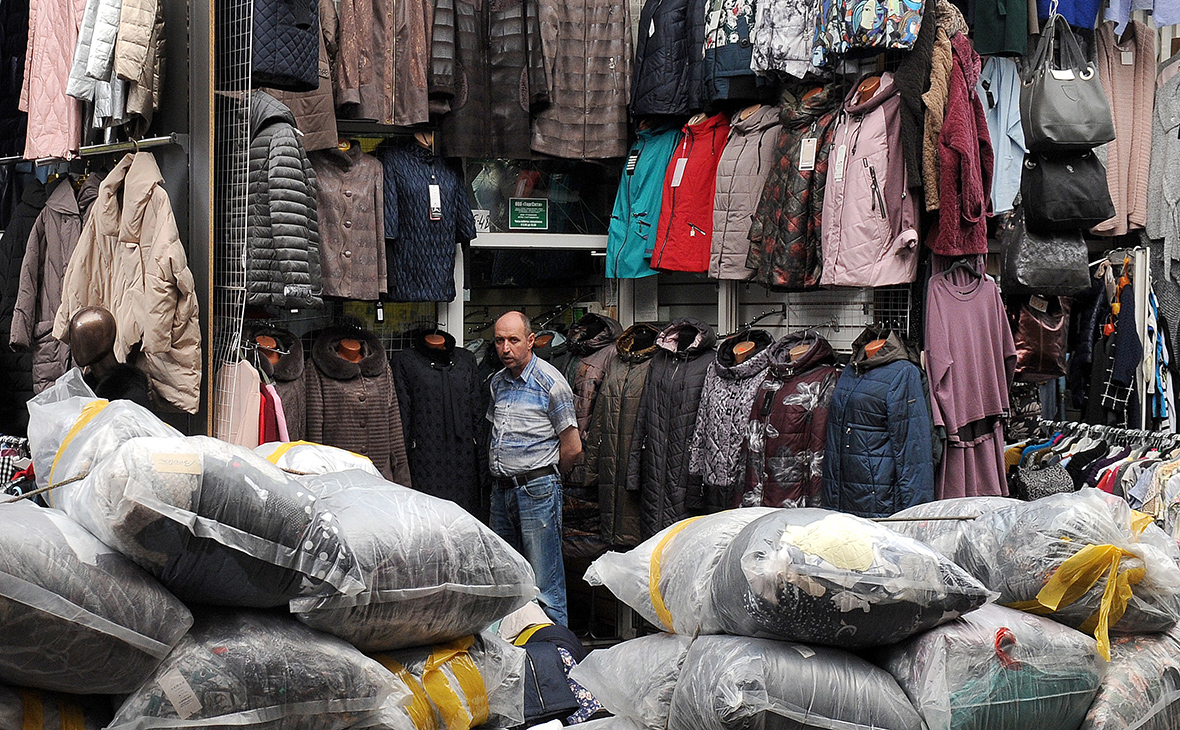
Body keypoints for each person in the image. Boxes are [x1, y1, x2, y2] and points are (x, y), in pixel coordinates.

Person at [487, 310, 581, 626]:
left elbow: (573, 446)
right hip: (502, 490)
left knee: (546, 585)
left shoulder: (551, 383)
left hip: (537, 489)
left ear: (530, 341)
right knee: (506, 580)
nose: (505, 348)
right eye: (499, 340)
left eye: (513, 340)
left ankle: (557, 659)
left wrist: (548, 478)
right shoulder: (498, 382)